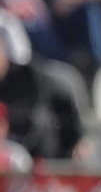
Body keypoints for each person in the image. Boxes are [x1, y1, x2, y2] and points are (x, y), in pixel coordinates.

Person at [0, 28, 81, 159]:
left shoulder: (30, 75)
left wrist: (76, 140)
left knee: (44, 118)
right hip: (6, 158)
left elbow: (63, 93)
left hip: (39, 156)